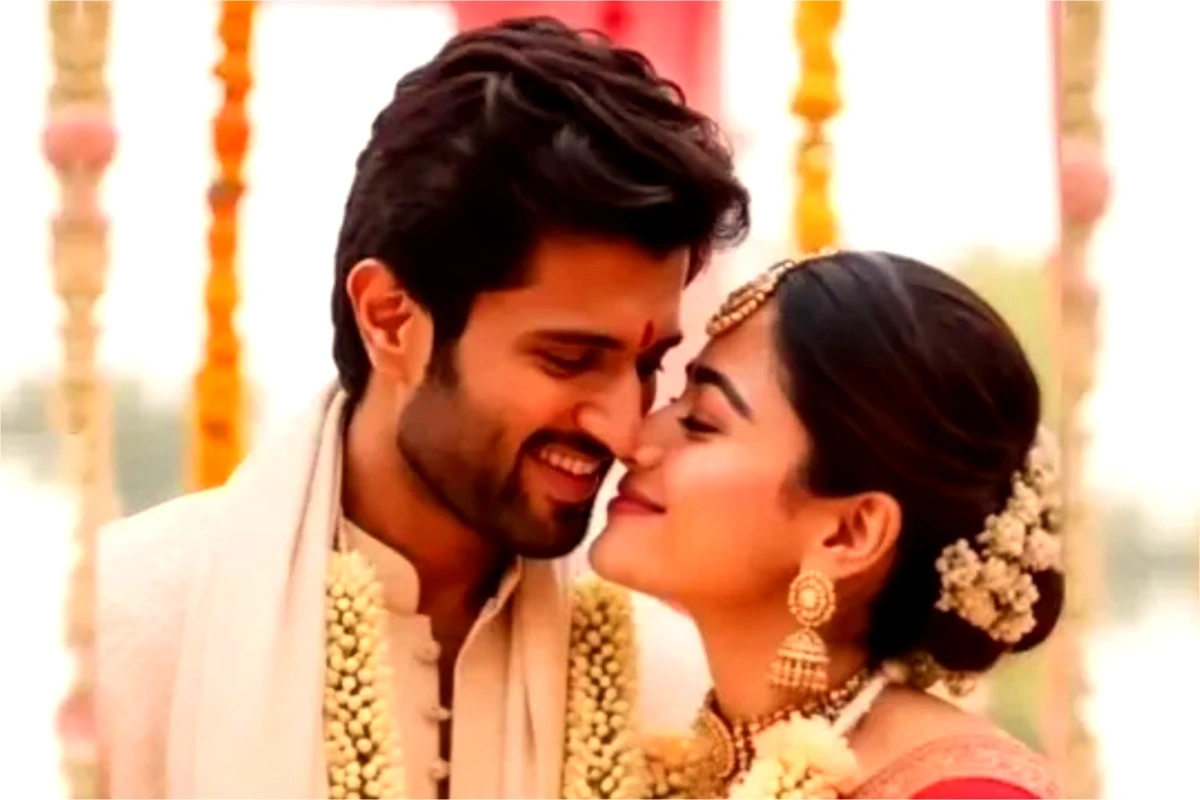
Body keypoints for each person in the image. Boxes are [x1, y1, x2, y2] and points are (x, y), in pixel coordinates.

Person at [97, 17, 748, 799]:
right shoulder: (130, 638)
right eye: (569, 359)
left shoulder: (673, 686)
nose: (624, 426)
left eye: (647, 365)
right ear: (390, 320)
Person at [591, 250, 1063, 798]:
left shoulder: (966, 793)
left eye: (700, 422)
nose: (636, 440)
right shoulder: (675, 755)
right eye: (676, 398)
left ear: (850, 533)